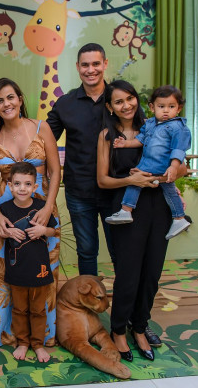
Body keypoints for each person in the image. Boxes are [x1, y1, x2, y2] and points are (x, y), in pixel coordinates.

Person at [97, 80, 187, 363]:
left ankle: (139, 326)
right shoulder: (107, 135)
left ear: (138, 100)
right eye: (119, 101)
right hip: (127, 206)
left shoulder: (158, 125)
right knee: (129, 272)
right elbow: (102, 180)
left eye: (130, 98)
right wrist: (131, 180)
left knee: (152, 272)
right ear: (110, 107)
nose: (126, 105)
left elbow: (182, 167)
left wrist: (166, 176)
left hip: (159, 205)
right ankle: (118, 330)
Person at [0, 77, 61, 348]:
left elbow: (55, 171)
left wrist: (49, 207)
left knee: (43, 269)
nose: (6, 104)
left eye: (10, 97)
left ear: (19, 99)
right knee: (3, 270)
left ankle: (42, 336)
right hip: (6, 212)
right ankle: (7, 334)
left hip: (41, 208)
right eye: (0, 100)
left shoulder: (42, 128)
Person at [46, 43, 113, 276]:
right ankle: (88, 297)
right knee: (86, 251)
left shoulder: (121, 99)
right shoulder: (66, 103)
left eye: (96, 64)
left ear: (105, 64)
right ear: (77, 67)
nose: (90, 70)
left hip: (116, 190)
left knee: (121, 249)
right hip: (79, 192)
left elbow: (143, 134)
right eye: (85, 65)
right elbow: (44, 139)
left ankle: (125, 299)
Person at [105, 85, 191, 240]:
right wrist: (125, 144)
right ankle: (178, 218)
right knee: (165, 190)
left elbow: (179, 149)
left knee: (140, 182)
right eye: (161, 106)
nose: (166, 111)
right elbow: (141, 139)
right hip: (150, 163)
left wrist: (173, 167)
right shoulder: (150, 123)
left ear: (179, 108)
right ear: (152, 107)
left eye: (171, 107)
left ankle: (127, 210)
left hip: (160, 165)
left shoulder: (178, 127)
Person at [1, 162, 57, 362]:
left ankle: (38, 344)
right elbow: (0, 232)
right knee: (19, 310)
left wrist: (43, 230)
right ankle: (23, 342)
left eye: (27, 184)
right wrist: (8, 232)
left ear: (35, 186)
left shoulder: (41, 207)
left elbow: (54, 231)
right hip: (16, 270)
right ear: (10, 186)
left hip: (39, 269)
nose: (22, 188)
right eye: (17, 184)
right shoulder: (5, 209)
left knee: (38, 310)